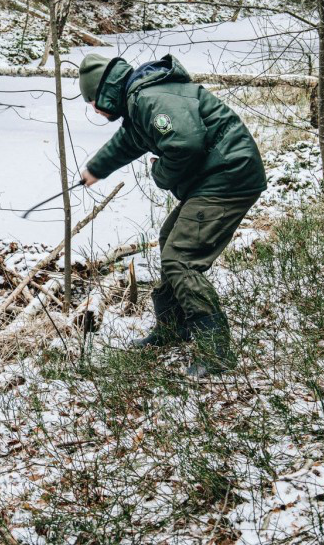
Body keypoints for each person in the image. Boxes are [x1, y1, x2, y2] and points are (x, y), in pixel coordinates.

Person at [78, 52, 266, 376]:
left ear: (105, 92)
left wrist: (160, 174)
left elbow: (185, 144)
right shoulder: (141, 99)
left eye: (93, 100)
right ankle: (173, 329)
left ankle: (216, 351)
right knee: (169, 240)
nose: (94, 109)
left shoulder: (147, 98)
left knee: (180, 258)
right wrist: (95, 169)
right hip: (221, 174)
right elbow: (127, 143)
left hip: (230, 175)